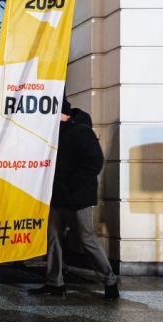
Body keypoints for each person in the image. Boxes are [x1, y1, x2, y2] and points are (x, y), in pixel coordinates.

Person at [29, 98, 119, 301]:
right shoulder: (54, 133)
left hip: (76, 197)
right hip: (56, 196)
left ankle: (110, 281)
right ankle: (55, 282)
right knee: (53, 238)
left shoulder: (81, 131)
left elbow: (94, 161)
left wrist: (70, 186)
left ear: (63, 114)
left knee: (86, 239)